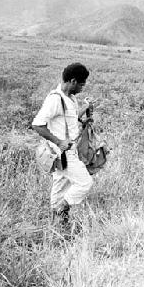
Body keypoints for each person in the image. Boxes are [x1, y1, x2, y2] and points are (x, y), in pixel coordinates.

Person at [32, 63, 94, 226]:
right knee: (85, 183)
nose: (82, 88)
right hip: (63, 153)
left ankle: (57, 224)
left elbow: (70, 117)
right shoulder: (55, 99)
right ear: (73, 81)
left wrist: (83, 115)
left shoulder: (70, 98)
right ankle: (62, 209)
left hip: (66, 151)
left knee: (59, 187)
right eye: (82, 84)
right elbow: (37, 124)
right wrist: (58, 142)